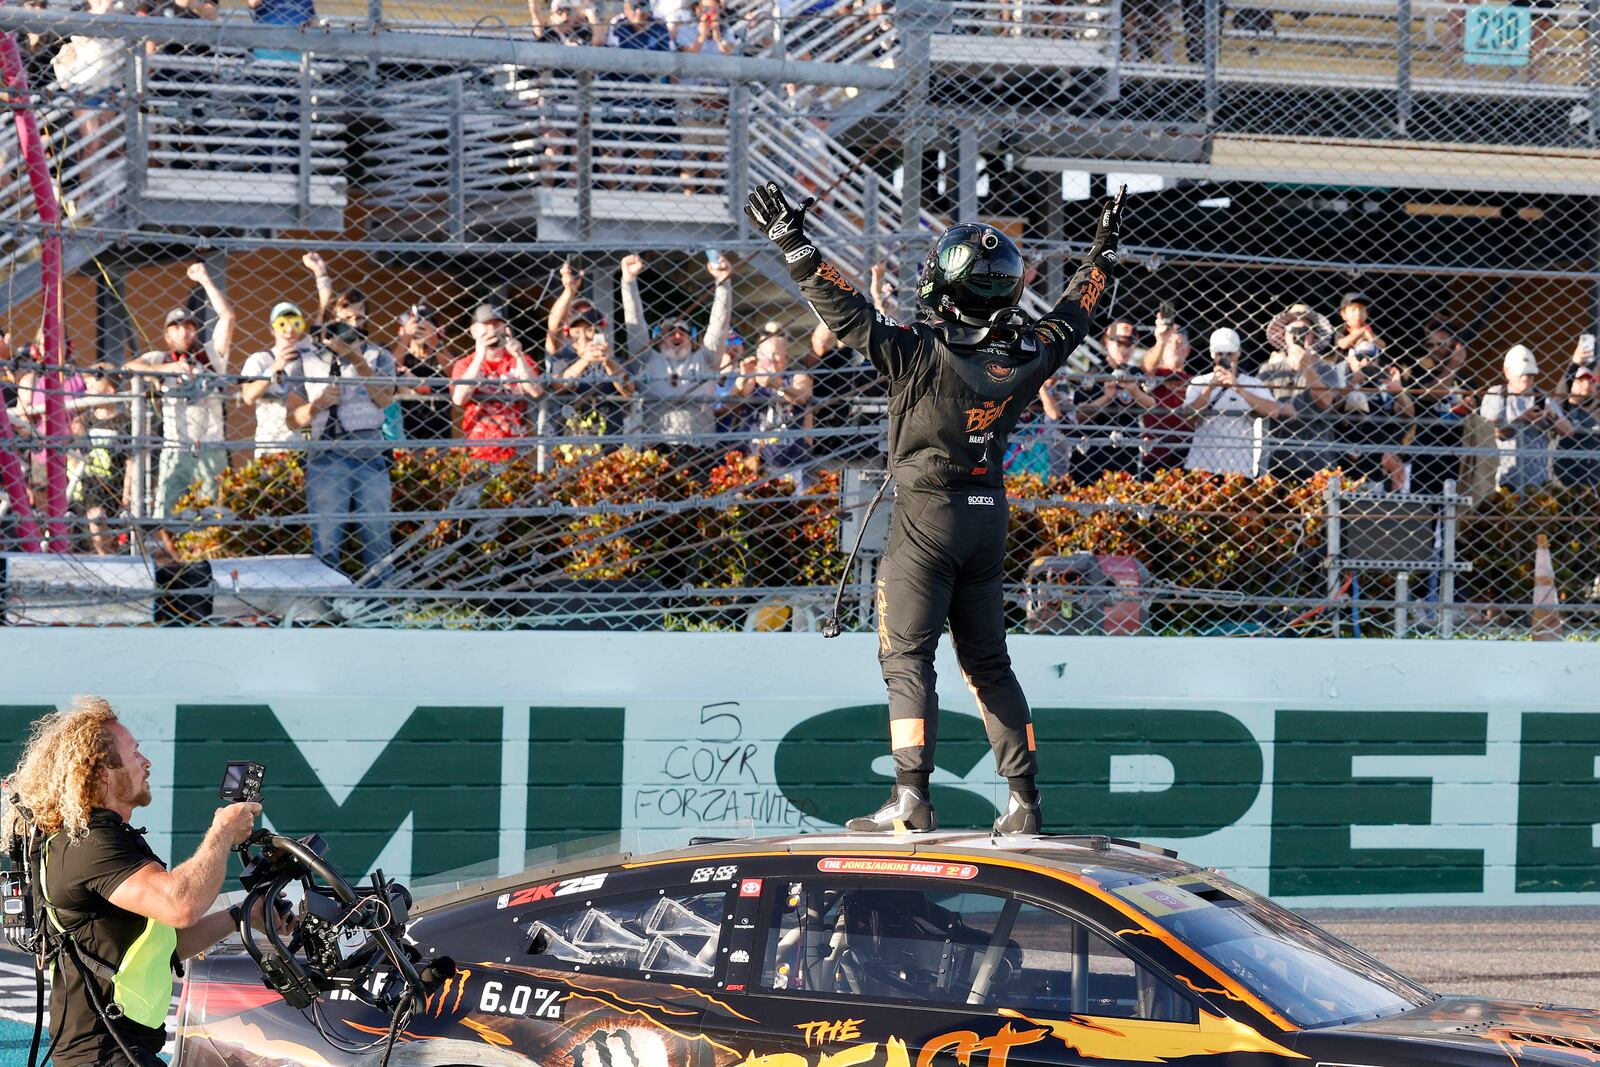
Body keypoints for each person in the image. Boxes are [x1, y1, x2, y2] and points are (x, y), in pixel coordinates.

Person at [745, 180, 1126, 836]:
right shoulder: (1031, 352)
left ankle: (911, 796)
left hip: (924, 521)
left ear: (950, 290)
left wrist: (791, 241)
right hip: (987, 517)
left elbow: (844, 312)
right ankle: (1024, 802)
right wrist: (1102, 255)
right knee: (988, 662)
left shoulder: (918, 353)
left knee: (907, 659)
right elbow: (1077, 311)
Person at [7, 697, 273, 1067]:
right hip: (103, 1054)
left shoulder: (99, 837)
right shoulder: (89, 845)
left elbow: (160, 947)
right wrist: (222, 832)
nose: (146, 763)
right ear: (103, 772)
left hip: (122, 1050)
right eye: (134, 754)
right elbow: (180, 905)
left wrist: (243, 914)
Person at [122, 263, 235, 557]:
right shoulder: (160, 357)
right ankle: (180, 562)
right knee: (166, 513)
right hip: (176, 446)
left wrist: (205, 279)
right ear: (167, 335)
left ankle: (206, 561)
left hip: (211, 445)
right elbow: (129, 367)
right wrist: (167, 368)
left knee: (214, 514)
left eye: (188, 326)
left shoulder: (210, 355)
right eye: (176, 327)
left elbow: (228, 316)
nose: (183, 331)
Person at [286, 316, 397, 578]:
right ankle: (327, 605)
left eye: (356, 322)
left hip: (370, 455)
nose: (348, 328)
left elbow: (384, 400)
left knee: (378, 539)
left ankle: (381, 607)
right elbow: (292, 420)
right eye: (342, 322)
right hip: (325, 458)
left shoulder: (379, 357)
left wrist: (358, 360)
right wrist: (318, 404)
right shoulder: (304, 362)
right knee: (326, 543)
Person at [622, 253, 733, 467]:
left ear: (691, 339)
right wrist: (628, 282)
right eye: (669, 332)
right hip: (656, 449)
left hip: (699, 451)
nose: (676, 336)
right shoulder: (645, 359)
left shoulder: (706, 359)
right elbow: (634, 324)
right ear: (658, 338)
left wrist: (723, 284)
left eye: (682, 332)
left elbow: (719, 325)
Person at [1182, 328, 1294, 478]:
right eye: (1219, 354)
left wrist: (1238, 388)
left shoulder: (1252, 383)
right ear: (1212, 354)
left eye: (1230, 353)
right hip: (1202, 465)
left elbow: (1273, 411)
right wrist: (1211, 387)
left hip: (1238, 467)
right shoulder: (1200, 382)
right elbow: (1188, 416)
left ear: (1238, 353)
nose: (1225, 358)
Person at [450, 304, 545, 462]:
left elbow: (536, 390)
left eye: (497, 325)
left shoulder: (519, 360)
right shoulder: (465, 364)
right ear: (474, 331)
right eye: (486, 326)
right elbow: (459, 398)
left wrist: (519, 356)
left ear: (505, 328)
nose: (492, 330)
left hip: (517, 447)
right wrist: (479, 356)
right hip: (479, 447)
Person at [1480, 344, 1571, 491]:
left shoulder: (1541, 397)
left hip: (1538, 479)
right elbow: (1488, 433)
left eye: (1529, 374)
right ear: (1507, 372)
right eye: (1520, 374)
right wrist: (1521, 420)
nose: (1525, 378)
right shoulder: (1498, 394)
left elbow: (1568, 431)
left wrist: (1551, 416)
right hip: (1503, 476)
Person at [239, 303, 315, 460]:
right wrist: (276, 367)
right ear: (271, 329)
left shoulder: (310, 358)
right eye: (282, 324)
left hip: (305, 446)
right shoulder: (259, 359)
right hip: (270, 447)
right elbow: (248, 396)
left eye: (295, 323)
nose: (289, 330)